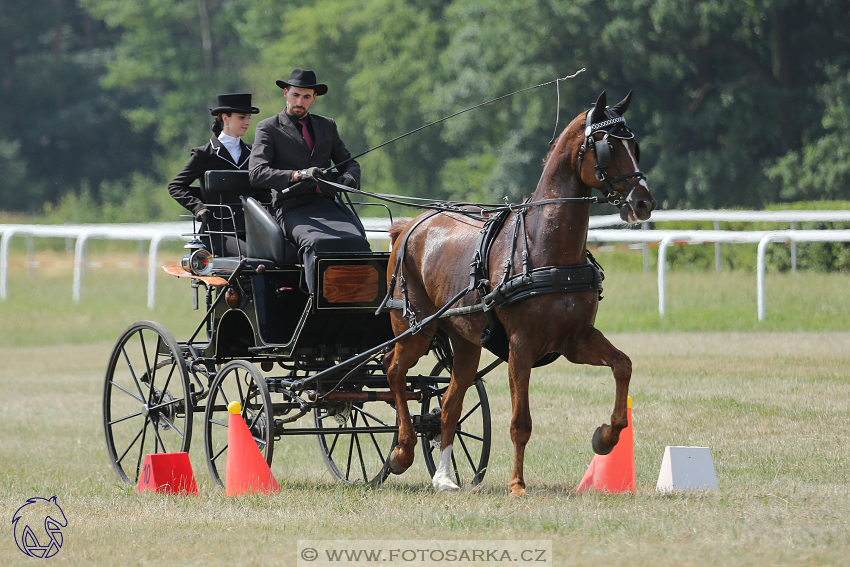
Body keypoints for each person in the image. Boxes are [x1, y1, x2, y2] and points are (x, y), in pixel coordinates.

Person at [249, 67, 370, 295]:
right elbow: (257, 173)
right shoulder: (268, 128)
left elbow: (350, 163)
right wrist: (298, 175)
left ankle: (361, 304)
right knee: (317, 243)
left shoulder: (327, 126)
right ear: (285, 93)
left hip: (327, 205)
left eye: (306, 97)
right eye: (295, 95)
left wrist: (348, 178)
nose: (300, 102)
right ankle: (318, 303)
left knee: (358, 242)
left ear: (314, 98)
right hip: (291, 206)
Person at [168, 93, 260, 256]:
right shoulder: (205, 154)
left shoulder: (252, 153)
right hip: (217, 233)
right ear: (225, 118)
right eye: (242, 117)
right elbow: (176, 186)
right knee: (252, 255)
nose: (247, 122)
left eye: (249, 117)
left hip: (251, 229)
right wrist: (197, 207)